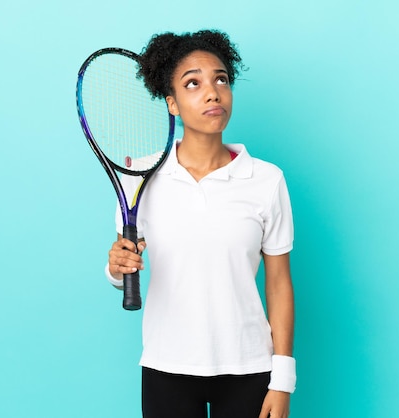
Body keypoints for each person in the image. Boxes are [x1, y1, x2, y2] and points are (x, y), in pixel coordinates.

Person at [105, 29, 296, 418]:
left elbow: (278, 282)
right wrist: (114, 267)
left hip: (248, 369)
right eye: (193, 83)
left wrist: (282, 379)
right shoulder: (138, 178)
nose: (213, 92)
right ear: (172, 103)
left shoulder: (267, 179)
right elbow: (124, 264)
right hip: (166, 367)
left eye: (221, 79)